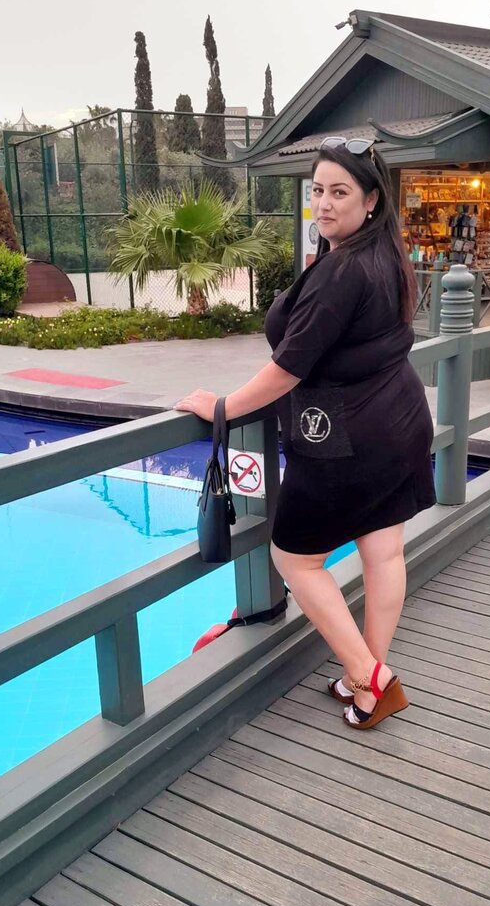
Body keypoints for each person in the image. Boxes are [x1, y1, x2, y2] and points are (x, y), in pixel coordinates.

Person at [175, 138, 435, 729]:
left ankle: (370, 678)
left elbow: (289, 368)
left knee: (293, 556)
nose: (324, 203)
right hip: (399, 420)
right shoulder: (385, 254)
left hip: (345, 434)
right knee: (383, 551)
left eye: (339, 192)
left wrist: (223, 406)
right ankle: (365, 680)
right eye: (317, 190)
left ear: (371, 200)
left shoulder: (342, 270)